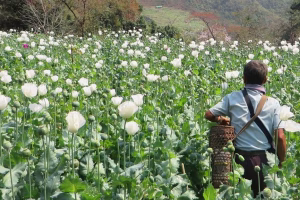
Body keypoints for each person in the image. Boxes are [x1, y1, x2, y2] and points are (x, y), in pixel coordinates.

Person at [205, 60, 286, 197]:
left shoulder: (232, 98)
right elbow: (280, 137)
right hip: (265, 161)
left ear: (244, 79)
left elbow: (209, 114)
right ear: (265, 80)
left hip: (239, 162)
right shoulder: (273, 103)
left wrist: (221, 119)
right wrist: (281, 163)